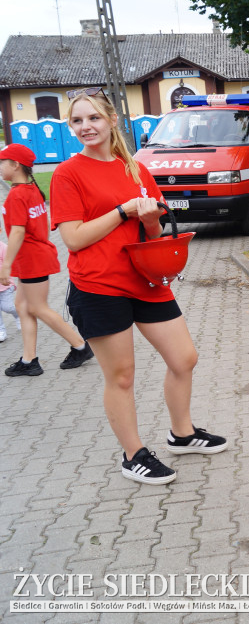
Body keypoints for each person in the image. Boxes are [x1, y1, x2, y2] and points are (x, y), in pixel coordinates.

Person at [49, 89, 226, 486]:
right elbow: (73, 239)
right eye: (77, 121)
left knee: (184, 358)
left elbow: (154, 229)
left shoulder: (136, 169)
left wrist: (146, 218)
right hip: (98, 286)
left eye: (93, 118)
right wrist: (122, 210)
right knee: (122, 376)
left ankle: (182, 434)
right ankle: (133, 456)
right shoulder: (67, 173)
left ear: (112, 121)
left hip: (145, 279)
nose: (85, 127)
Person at [0, 143, 93, 376]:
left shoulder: (17, 195)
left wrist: (5, 265)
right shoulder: (31, 190)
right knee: (23, 307)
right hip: (34, 257)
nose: (0, 167)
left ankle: (80, 346)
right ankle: (29, 360)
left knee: (38, 308)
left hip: (32, 259)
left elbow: (18, 232)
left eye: (2, 162)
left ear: (15, 165)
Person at [0, 240, 22, 342]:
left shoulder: (4, 247)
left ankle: (19, 315)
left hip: (5, 286)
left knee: (7, 307)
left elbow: (11, 264)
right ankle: (1, 331)